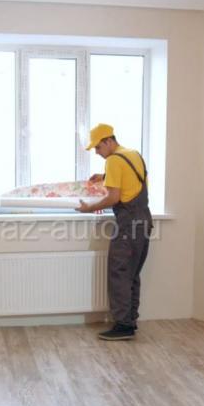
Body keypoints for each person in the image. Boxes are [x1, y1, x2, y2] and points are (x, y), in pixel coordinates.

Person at [77, 123, 153, 340]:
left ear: (109, 141)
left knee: (119, 273)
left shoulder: (113, 160)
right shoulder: (133, 154)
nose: (97, 152)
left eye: (98, 147)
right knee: (132, 274)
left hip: (129, 224)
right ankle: (130, 321)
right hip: (144, 220)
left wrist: (89, 208)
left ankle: (123, 326)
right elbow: (130, 180)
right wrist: (104, 177)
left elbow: (113, 198)